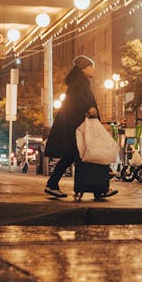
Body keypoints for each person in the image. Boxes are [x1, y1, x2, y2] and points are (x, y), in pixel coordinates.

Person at [43, 55, 116, 200]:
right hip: (78, 128)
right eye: (91, 66)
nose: (93, 69)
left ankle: (98, 188)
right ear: (84, 68)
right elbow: (78, 101)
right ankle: (100, 186)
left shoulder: (79, 82)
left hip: (77, 126)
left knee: (78, 156)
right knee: (89, 155)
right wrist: (89, 108)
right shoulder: (79, 83)